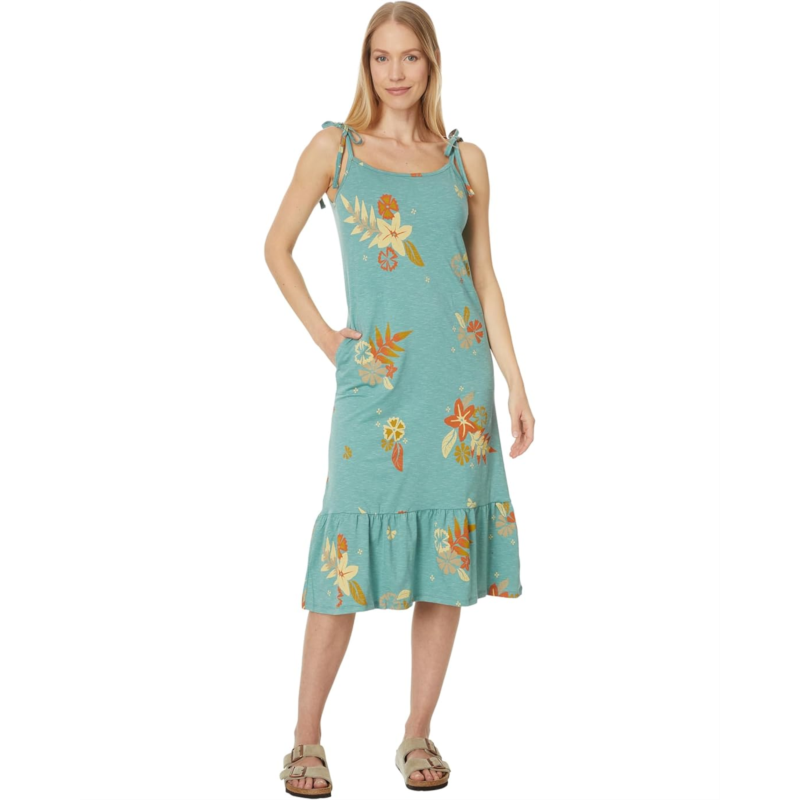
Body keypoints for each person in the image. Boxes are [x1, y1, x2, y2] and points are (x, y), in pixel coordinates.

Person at [264, 2, 535, 795]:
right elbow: (275, 248)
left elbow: (483, 277)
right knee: (344, 556)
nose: (395, 72)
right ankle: (305, 739)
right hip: (375, 384)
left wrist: (516, 381)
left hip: (457, 391)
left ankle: (417, 734)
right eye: (381, 57)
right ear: (366, 64)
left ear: (431, 63)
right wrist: (327, 339)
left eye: (410, 57)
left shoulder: (465, 160)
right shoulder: (335, 150)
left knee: (447, 562)